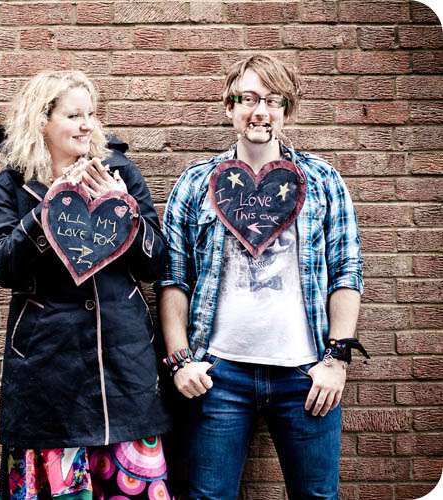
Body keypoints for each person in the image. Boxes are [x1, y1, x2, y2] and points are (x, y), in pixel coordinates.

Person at [158, 55, 366, 499]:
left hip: (306, 375)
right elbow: (174, 278)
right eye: (248, 99)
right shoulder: (195, 183)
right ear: (229, 107)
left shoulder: (322, 180)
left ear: (286, 110)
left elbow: (346, 271)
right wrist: (180, 361)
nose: (260, 111)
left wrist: (336, 362)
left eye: (273, 101)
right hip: (218, 376)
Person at [0, 70, 173, 499]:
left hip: (121, 372)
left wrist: (123, 209)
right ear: (42, 121)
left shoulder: (119, 172)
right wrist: (46, 210)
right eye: (73, 116)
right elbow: (1, 266)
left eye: (91, 114)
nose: (87, 125)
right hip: (47, 373)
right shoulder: (14, 184)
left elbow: (155, 262)